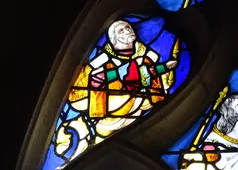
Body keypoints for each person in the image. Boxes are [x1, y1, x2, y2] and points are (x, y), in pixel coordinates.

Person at [55, 20, 177, 160]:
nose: (128, 31)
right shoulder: (101, 60)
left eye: (128, 27)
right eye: (122, 30)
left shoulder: (148, 57)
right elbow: (81, 90)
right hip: (108, 113)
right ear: (115, 39)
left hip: (138, 110)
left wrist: (165, 68)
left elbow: (149, 75)